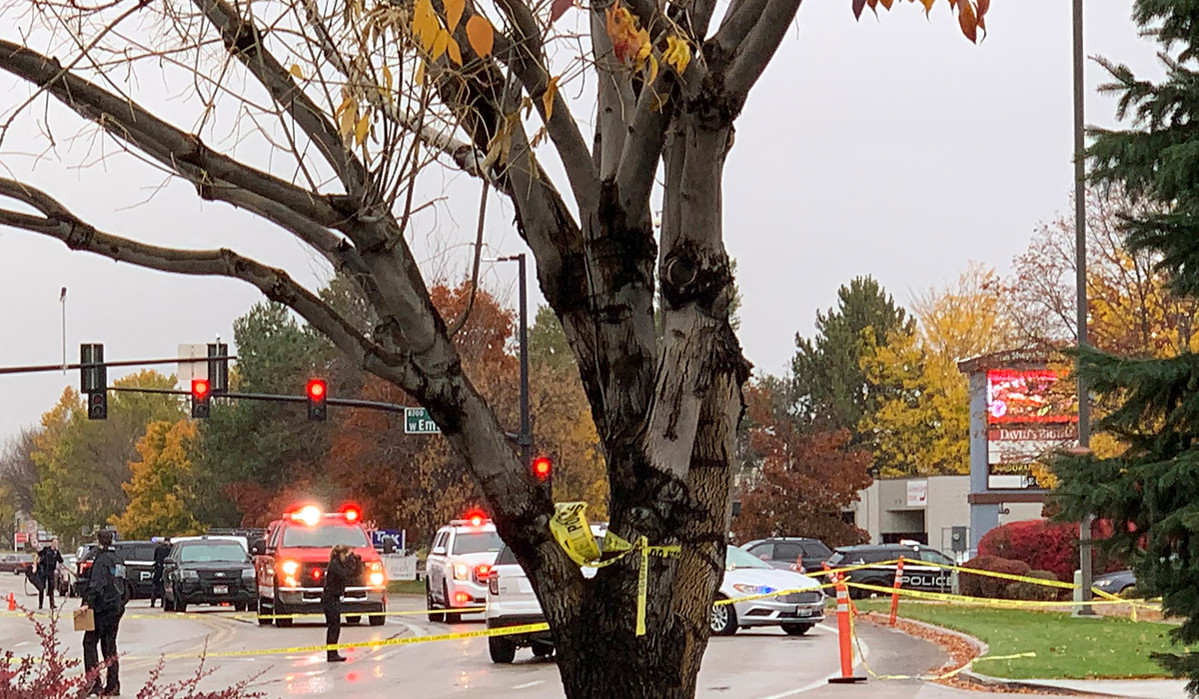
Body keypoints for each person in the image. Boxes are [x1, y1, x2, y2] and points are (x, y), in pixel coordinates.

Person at [82, 530, 125, 697]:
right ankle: (113, 685)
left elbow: (97, 585)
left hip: (101, 609)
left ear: (99, 541)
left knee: (89, 642)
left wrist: (87, 603)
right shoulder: (118, 559)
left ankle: (94, 682)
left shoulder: (101, 560)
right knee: (109, 645)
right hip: (116, 608)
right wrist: (121, 602)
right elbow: (123, 583)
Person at [322, 544, 362, 663]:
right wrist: (350, 562)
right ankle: (331, 653)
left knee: (336, 626)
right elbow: (344, 575)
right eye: (348, 554)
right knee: (333, 626)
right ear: (342, 554)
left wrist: (357, 562)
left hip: (335, 598)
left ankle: (333, 652)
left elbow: (354, 574)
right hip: (330, 598)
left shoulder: (339, 564)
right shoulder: (334, 564)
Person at [36, 538, 63, 610]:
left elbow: (61, 561)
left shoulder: (56, 553)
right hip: (43, 571)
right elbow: (38, 554)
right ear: (51, 543)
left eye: (56, 543)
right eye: (54, 542)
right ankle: (40, 604)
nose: (55, 544)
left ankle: (52, 604)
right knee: (41, 587)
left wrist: (58, 569)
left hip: (51, 572)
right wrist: (35, 566)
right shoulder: (46, 549)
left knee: (51, 588)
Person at [149, 539, 170, 608]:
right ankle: (163, 602)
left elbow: (155, 558)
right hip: (166, 570)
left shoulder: (158, 549)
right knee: (164, 586)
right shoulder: (170, 549)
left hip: (158, 569)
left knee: (155, 586)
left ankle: (153, 602)